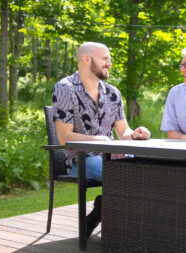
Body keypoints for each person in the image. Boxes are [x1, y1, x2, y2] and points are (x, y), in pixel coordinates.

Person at [52, 42, 151, 237]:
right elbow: (64, 138)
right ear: (86, 59)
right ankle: (122, 232)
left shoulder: (113, 93)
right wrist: (100, 140)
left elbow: (123, 132)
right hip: (81, 160)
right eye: (105, 59)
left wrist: (136, 134)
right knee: (128, 176)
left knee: (150, 171)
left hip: (112, 157)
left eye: (109, 59)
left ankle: (102, 209)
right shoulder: (65, 88)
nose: (110, 64)